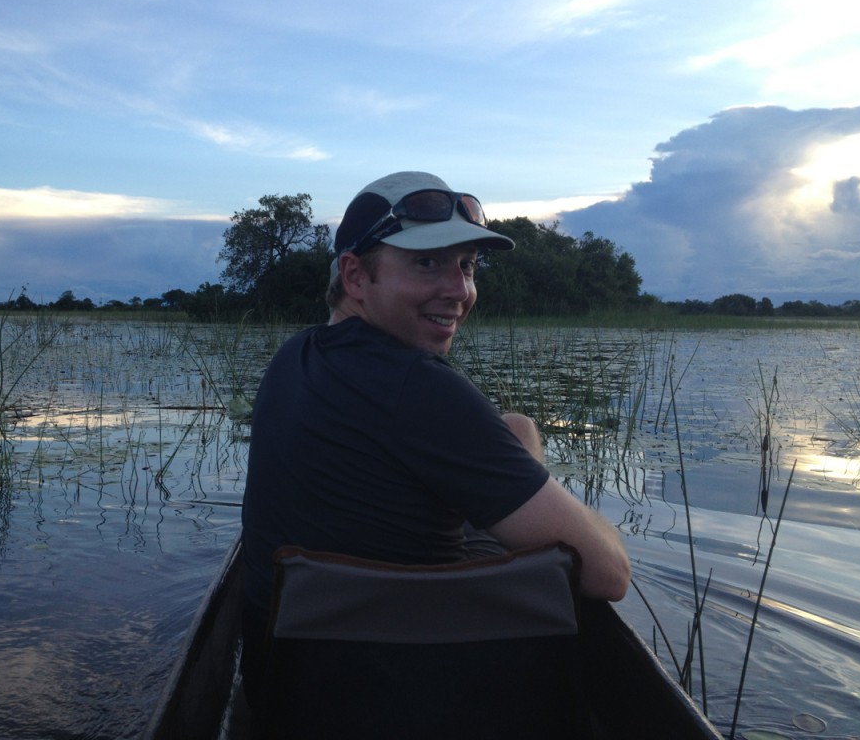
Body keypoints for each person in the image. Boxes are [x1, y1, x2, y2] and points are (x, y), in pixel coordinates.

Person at [239, 171, 630, 704]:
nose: (460, 291)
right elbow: (609, 575)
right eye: (427, 263)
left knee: (519, 428)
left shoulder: (293, 358)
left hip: (283, 682)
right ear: (355, 276)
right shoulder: (415, 386)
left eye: (466, 266)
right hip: (414, 689)